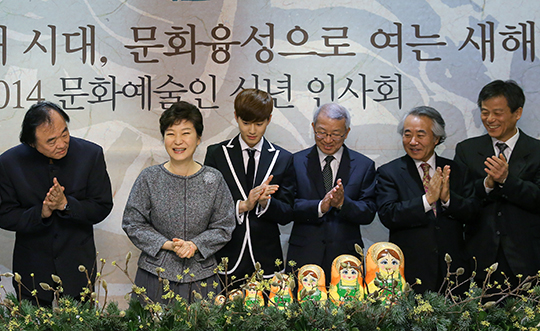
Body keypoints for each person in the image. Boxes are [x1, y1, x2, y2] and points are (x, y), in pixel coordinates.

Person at [0, 101, 113, 305]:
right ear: (32, 143)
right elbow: (4, 215)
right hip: (32, 267)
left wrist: (67, 204)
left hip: (78, 265)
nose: (61, 144)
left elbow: (102, 205)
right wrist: (42, 212)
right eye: (51, 141)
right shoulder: (10, 162)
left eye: (64, 134)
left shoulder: (90, 154)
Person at [122, 101, 234, 303]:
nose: (178, 141)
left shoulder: (214, 179)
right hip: (154, 274)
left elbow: (224, 225)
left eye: (185, 133)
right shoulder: (149, 177)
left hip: (202, 276)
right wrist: (167, 245)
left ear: (199, 138)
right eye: (171, 133)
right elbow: (133, 223)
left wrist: (195, 245)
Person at [377, 106, 474, 294]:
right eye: (407, 135)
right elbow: (388, 214)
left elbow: (473, 212)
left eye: (420, 135)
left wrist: (447, 200)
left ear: (436, 138)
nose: (413, 142)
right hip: (410, 271)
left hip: (453, 270)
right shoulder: (389, 172)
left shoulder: (457, 170)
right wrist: (428, 200)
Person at [454, 80, 540, 292]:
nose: (490, 119)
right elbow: (460, 201)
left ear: (517, 112)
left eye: (498, 113)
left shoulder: (537, 150)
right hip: (479, 260)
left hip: (527, 258)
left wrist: (506, 181)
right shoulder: (467, 150)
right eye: (485, 112)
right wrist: (487, 185)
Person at [204, 88, 295, 284]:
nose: (252, 130)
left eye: (259, 124)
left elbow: (288, 212)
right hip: (226, 257)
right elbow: (207, 207)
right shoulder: (216, 154)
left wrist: (266, 204)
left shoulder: (283, 158)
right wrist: (243, 206)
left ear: (269, 120)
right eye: (245, 123)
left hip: (268, 259)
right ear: (236, 117)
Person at [286, 103, 377, 282]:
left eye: (336, 134)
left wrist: (343, 203)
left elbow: (368, 212)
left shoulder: (364, 165)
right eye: (321, 132)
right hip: (304, 257)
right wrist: (320, 206)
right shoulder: (295, 161)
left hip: (346, 260)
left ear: (347, 132)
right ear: (313, 128)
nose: (328, 140)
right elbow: (287, 206)